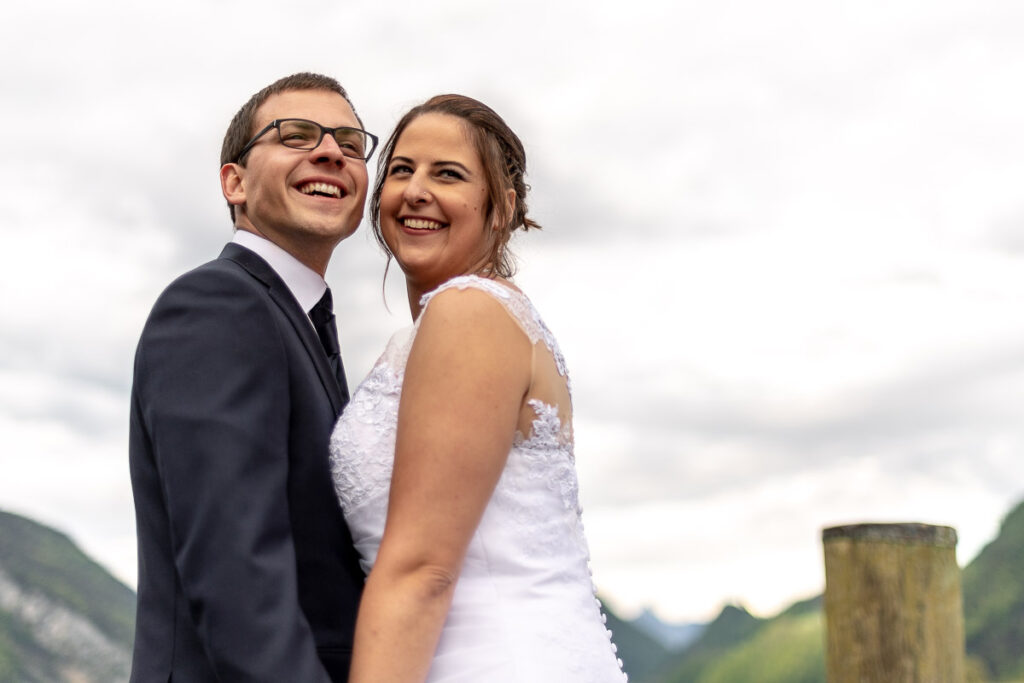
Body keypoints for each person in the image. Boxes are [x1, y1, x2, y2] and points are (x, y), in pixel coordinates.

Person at [329, 94, 628, 682]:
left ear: (502, 208)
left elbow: (422, 570)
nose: (416, 190)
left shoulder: (467, 313)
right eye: (401, 169)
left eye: (448, 174)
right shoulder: (452, 328)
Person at [128, 72, 375, 682]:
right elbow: (237, 576)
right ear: (233, 182)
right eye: (295, 135)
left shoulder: (296, 321)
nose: (330, 151)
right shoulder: (216, 304)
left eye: (349, 140)